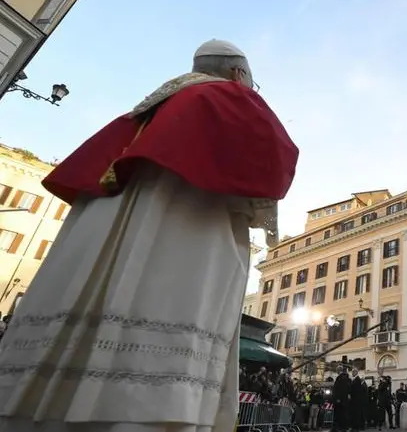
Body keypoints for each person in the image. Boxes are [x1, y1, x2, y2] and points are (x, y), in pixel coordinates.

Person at [0, 39, 298, 432]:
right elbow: (278, 157)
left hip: (107, 222)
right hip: (185, 220)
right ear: (239, 74)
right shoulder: (228, 98)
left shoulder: (148, 111)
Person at [333, 367, 352, 432]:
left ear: (338, 371)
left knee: (341, 415)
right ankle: (344, 427)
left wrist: (338, 398)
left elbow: (339, 390)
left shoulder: (341, 378)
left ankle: (342, 428)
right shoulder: (346, 378)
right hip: (344, 400)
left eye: (337, 371)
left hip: (340, 401)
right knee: (344, 414)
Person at [349, 368, 368, 432]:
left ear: (355, 372)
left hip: (356, 401)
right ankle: (355, 427)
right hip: (356, 401)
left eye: (352, 372)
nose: (352, 373)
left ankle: (356, 428)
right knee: (355, 414)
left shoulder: (357, 380)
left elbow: (356, 391)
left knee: (356, 415)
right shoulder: (355, 380)